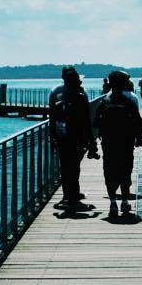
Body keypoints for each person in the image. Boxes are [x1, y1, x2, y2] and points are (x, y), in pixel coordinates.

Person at [92, 70, 142, 219]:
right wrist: (139, 138)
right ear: (123, 84)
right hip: (126, 143)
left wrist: (93, 142)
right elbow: (138, 122)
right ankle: (124, 201)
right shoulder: (129, 102)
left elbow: (95, 123)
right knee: (125, 171)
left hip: (109, 144)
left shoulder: (104, 102)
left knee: (109, 171)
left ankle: (112, 203)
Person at [49, 66, 98, 212]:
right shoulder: (81, 96)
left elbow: (52, 118)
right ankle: (73, 198)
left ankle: (68, 195)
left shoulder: (56, 94)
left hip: (62, 137)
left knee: (65, 167)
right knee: (74, 168)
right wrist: (92, 140)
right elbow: (87, 121)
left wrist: (52, 137)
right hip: (77, 138)